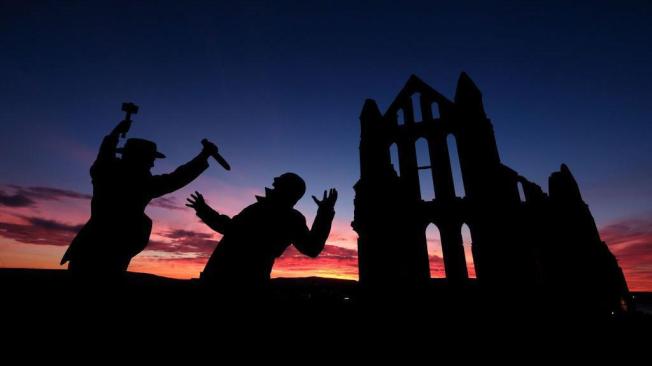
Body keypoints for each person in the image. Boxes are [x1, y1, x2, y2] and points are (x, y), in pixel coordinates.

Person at [60, 118, 219, 281]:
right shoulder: (142, 184)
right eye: (150, 160)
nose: (152, 165)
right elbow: (176, 178)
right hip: (112, 253)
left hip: (87, 248)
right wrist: (204, 155)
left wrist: (115, 133)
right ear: (140, 160)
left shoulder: (104, 174)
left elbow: (104, 156)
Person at [186, 173, 337, 294]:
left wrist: (204, 210)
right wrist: (325, 212)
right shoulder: (289, 217)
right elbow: (312, 248)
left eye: (280, 180)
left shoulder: (279, 215)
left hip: (227, 282)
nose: (274, 180)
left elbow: (229, 228)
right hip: (244, 283)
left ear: (286, 189)